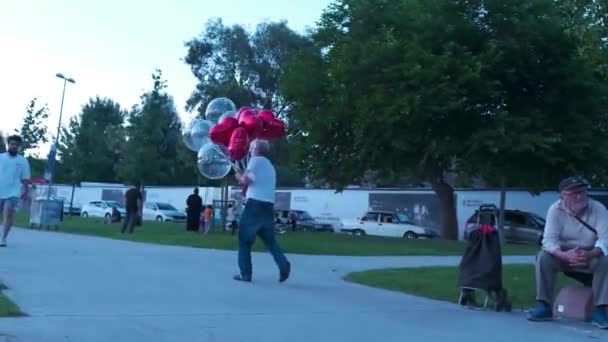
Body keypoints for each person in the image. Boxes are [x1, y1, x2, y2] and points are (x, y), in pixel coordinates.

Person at [527, 176, 608, 329]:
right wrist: (564, 255)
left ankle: (600, 309)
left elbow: (605, 239)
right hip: (563, 255)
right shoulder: (555, 210)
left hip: (590, 255)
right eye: (574, 193)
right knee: (543, 256)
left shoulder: (598, 209)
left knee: (606, 259)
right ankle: (543, 304)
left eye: (583, 192)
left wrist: (589, 254)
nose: (580, 196)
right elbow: (549, 241)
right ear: (562, 196)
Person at [233, 139, 290, 283]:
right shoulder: (270, 166)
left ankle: (245, 274)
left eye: (251, 147)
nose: (250, 150)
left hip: (254, 205)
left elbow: (247, 180)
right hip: (268, 206)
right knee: (269, 240)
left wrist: (239, 176)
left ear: (257, 149)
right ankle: (283, 263)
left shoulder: (255, 160)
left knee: (244, 240)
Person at [0, 135, 30, 247]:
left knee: (8, 214)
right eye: (12, 144)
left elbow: (25, 178)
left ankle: (3, 238)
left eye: (16, 145)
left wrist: (26, 192)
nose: (13, 146)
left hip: (13, 192)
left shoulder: (23, 161)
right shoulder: (1, 157)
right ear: (8, 145)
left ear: (19, 147)